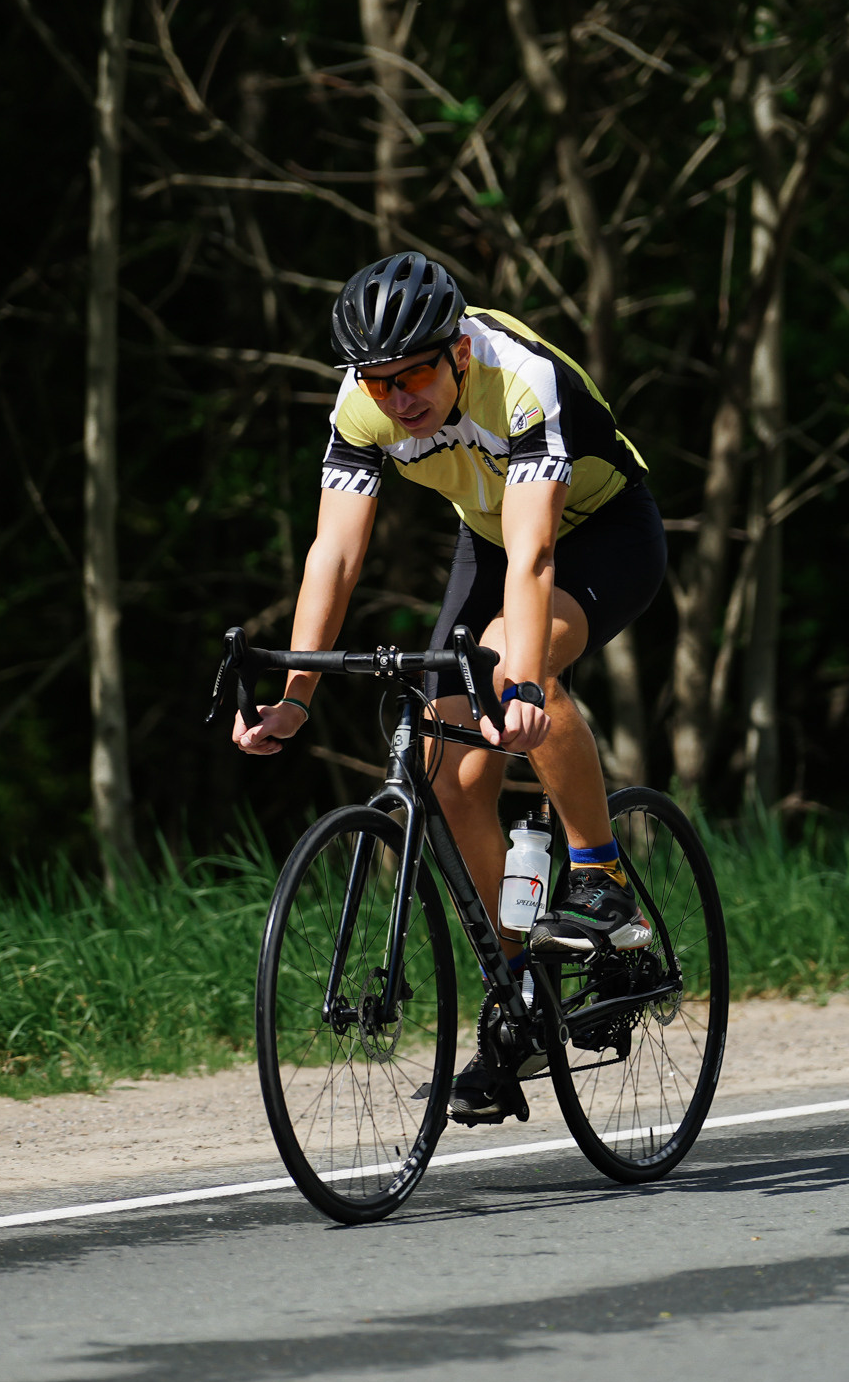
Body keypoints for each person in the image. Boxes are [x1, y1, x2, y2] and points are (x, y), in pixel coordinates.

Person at [231, 250, 668, 1121]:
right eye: (377, 382)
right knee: (448, 769)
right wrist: (296, 692)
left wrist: (523, 680)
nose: (397, 400)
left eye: (412, 377)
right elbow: (337, 553)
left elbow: (537, 551)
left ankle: (601, 872)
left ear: (456, 352)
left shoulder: (520, 379)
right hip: (493, 538)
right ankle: (517, 1005)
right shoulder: (361, 408)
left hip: (600, 533)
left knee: (521, 655)